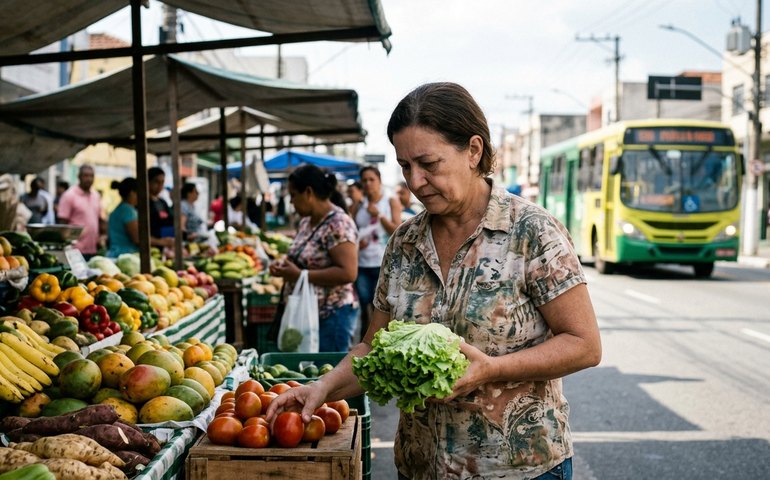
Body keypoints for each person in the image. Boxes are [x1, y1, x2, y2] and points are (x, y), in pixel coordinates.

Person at [266, 82, 602, 479]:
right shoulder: (405, 242)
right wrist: (321, 389)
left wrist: (492, 369)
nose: (416, 181)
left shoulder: (531, 232)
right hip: (422, 465)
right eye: (405, 166)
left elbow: (584, 345)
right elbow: (374, 348)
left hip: (519, 468)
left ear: (474, 151)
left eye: (429, 163)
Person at [268, 164, 359, 352]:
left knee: (326, 374)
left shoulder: (338, 224)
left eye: (293, 195)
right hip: (307, 314)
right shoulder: (306, 222)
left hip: (331, 316)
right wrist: (285, 267)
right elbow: (302, 258)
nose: (291, 202)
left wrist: (301, 275)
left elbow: (348, 272)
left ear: (308, 192)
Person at [354, 165, 402, 340]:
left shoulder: (390, 201)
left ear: (379, 181)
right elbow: (352, 231)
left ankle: (381, 342)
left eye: (371, 179)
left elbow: (398, 232)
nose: (368, 184)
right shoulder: (359, 204)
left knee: (382, 310)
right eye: (364, 180)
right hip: (361, 263)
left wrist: (380, 215)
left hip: (384, 263)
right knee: (364, 307)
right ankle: (364, 344)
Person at [57, 165, 103, 256]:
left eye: (91, 176)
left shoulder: (96, 195)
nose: (89, 179)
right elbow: (62, 223)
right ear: (79, 177)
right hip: (75, 250)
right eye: (85, 176)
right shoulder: (69, 195)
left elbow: (100, 219)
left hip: (93, 249)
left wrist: (102, 236)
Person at [106, 177, 139, 257]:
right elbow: (137, 239)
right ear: (132, 193)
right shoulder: (128, 211)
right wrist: (161, 241)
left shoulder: (118, 210)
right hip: (125, 255)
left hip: (114, 254)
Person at [148, 167, 174, 249]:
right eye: (156, 182)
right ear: (147, 182)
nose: (160, 186)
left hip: (166, 246)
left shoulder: (163, 202)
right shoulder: (142, 203)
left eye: (162, 182)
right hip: (151, 247)